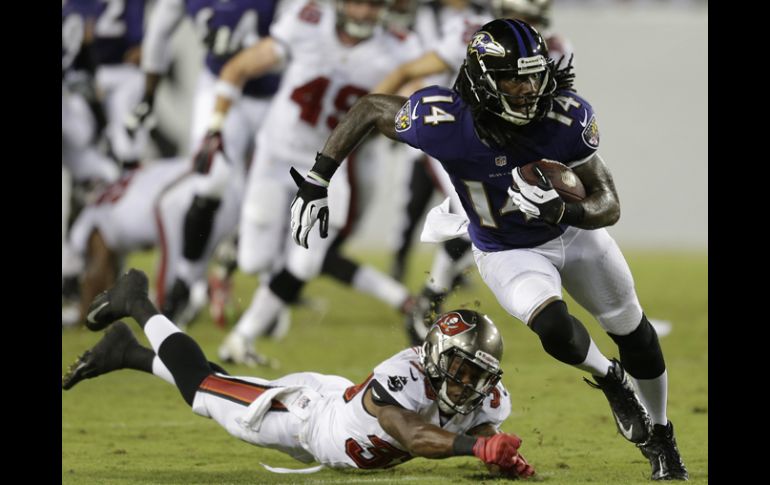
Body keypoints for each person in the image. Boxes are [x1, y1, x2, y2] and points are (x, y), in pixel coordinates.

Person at [288, 18, 688, 480]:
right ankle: (609, 378)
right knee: (554, 327)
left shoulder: (564, 118)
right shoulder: (443, 121)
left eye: (534, 75)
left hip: (574, 236)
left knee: (633, 331)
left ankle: (661, 433)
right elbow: (371, 108)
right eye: (513, 78)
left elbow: (608, 203)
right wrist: (319, 177)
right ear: (483, 80)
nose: (528, 88)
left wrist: (564, 213)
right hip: (505, 248)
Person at [62, 269, 535, 478]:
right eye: (458, 369)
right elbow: (411, 434)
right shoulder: (405, 372)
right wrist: (476, 447)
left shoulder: (485, 397)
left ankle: (128, 354)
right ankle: (137, 301)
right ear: (434, 357)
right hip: (308, 418)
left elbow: (484, 425)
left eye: (476, 375)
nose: (466, 384)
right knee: (204, 392)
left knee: (226, 390)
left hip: (331, 407)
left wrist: (498, 454)